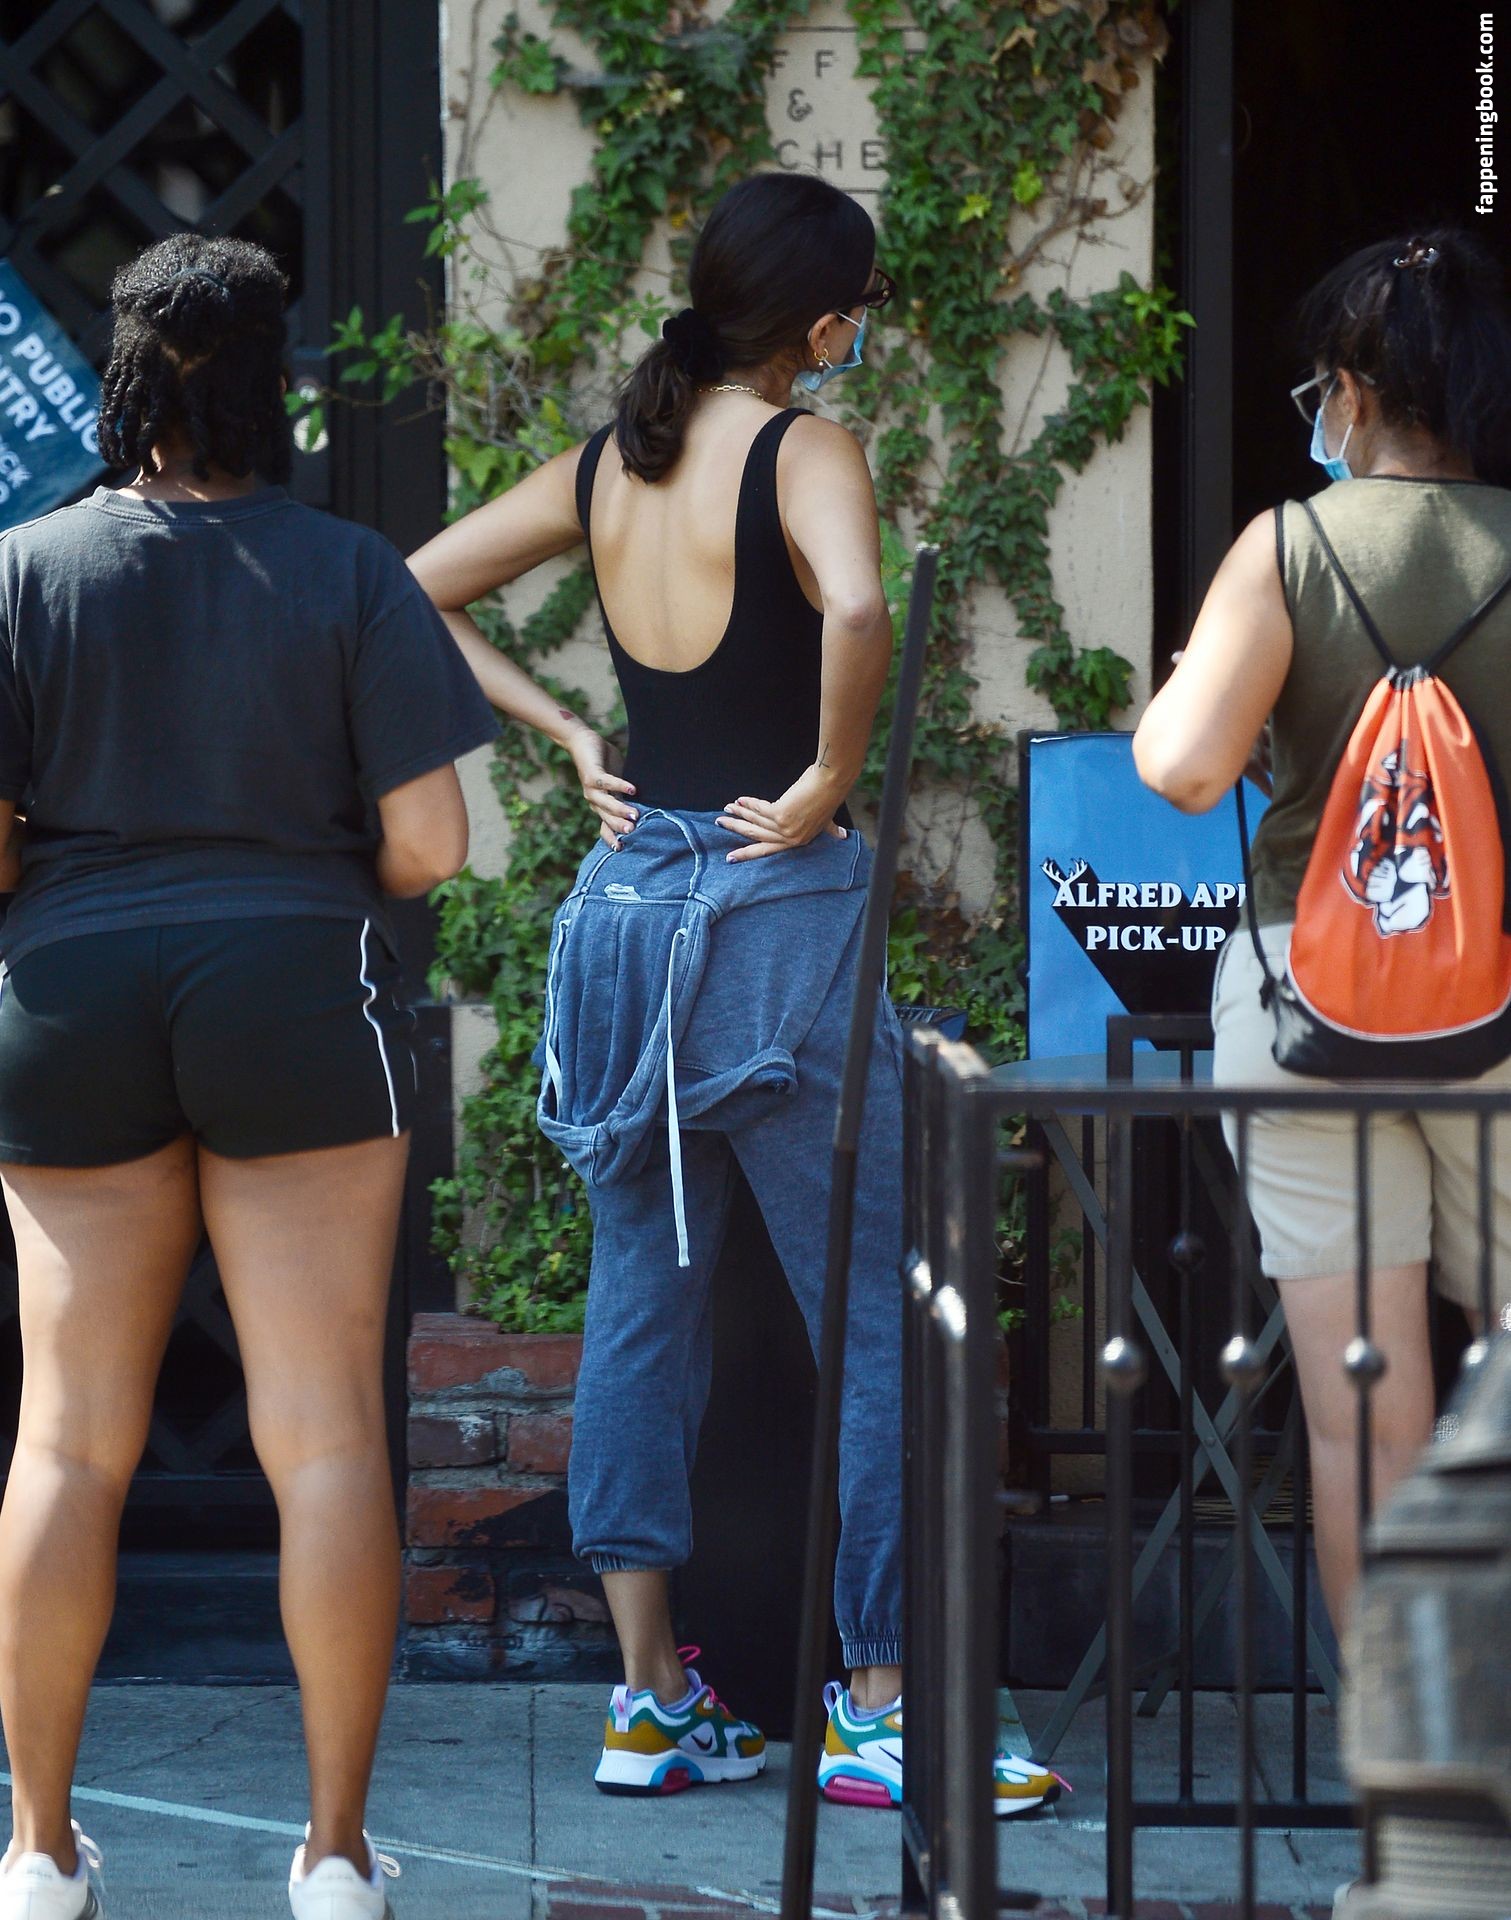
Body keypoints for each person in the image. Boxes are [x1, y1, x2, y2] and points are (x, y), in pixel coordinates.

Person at [410, 171, 1061, 1819]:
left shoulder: (612, 459)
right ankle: (881, 1707)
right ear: (825, 324)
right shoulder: (803, 450)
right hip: (775, 916)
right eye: (860, 315)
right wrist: (833, 774)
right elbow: (859, 602)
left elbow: (407, 588)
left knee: (640, 1311)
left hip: (629, 915)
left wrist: (567, 731)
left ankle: (648, 1701)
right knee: (876, 1309)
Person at [0, 235, 498, 1920]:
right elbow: (431, 843)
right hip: (293, 981)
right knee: (324, 1435)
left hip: (69, 988)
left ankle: (39, 1854)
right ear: (276, 382)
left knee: (67, 1441)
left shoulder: (23, 571)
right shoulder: (350, 571)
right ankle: (337, 1858)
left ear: (126, 377)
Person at [1133, 228, 1511, 1635]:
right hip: (1502, 997)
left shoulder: (1288, 547)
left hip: (1309, 998)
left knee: (1365, 1405)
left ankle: (1392, 1752)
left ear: (1349, 390)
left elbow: (1181, 768)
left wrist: (1212, 685)